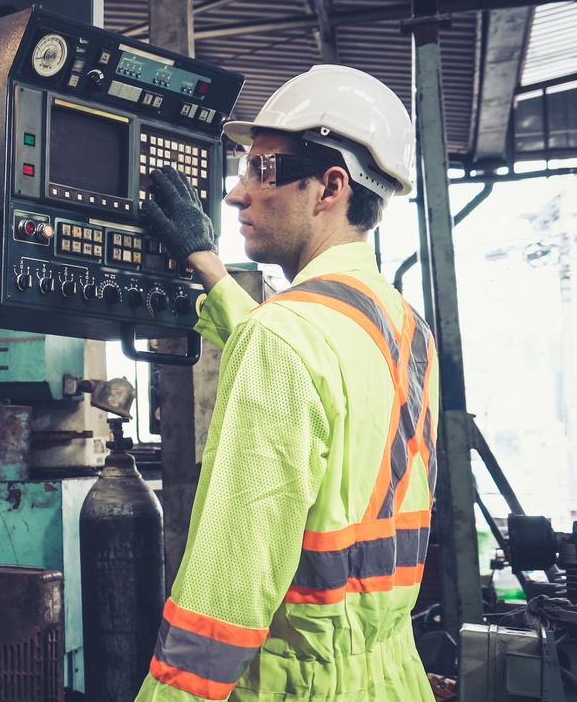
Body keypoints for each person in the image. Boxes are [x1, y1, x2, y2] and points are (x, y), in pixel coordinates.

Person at [134, 65, 439, 701]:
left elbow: (224, 595)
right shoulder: (404, 327)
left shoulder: (286, 337)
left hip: (299, 686)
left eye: (261, 169)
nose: (235, 194)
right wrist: (205, 263)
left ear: (330, 186)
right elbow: (300, 357)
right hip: (391, 676)